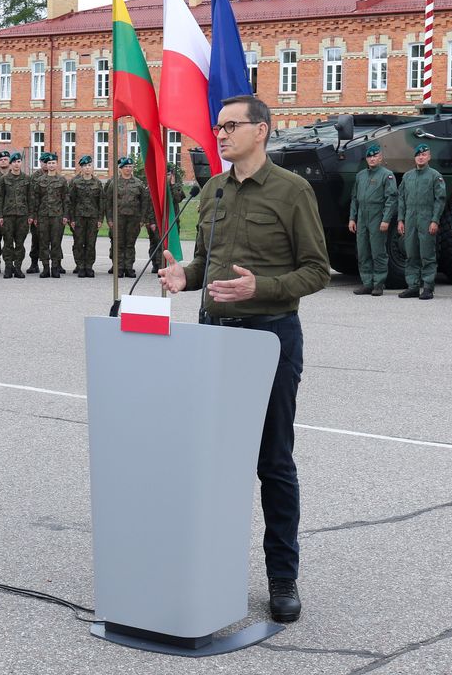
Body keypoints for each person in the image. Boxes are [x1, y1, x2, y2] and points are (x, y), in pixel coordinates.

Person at [158, 95, 330, 624]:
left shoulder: (292, 191)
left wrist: (265, 287)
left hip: (269, 338)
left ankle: (282, 576)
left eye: (231, 126)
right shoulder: (213, 190)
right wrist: (186, 276)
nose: (221, 134)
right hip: (213, 337)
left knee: (272, 462)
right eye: (218, 126)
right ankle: (207, 568)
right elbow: (208, 261)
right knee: (210, 461)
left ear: (261, 131)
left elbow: (317, 271)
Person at [396, 143, 446, 300]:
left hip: (426, 217)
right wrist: (400, 219)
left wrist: (435, 220)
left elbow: (440, 200)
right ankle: (412, 286)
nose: (421, 157)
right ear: (415, 157)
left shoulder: (434, 176)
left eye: (424, 154)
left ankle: (428, 287)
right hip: (410, 218)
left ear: (429, 157)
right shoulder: (407, 176)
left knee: (427, 254)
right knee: (410, 254)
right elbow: (401, 199)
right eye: (418, 155)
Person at [347, 144, 397, 295]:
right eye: (370, 156)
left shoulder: (387, 175)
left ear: (380, 157)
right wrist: (352, 218)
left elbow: (391, 199)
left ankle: (379, 284)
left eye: (375, 156)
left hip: (377, 215)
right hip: (362, 216)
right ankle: (367, 283)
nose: (372, 159)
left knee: (378, 252)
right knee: (363, 251)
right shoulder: (360, 175)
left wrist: (386, 219)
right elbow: (354, 198)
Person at [103, 157, 145, 277]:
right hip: (118, 218)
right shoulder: (114, 183)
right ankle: (119, 268)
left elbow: (144, 202)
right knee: (119, 243)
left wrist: (142, 219)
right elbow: (108, 202)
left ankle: (129, 267)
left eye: (130, 167)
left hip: (134, 218)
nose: (128, 169)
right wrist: (110, 219)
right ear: (121, 169)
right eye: (126, 167)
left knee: (130, 244)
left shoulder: (138, 183)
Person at [0, 152, 31, 278]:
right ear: (11, 164)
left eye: (19, 161)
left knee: (20, 243)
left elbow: (30, 199)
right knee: (8, 242)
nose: (16, 164)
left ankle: (18, 267)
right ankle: (8, 267)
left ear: (21, 163)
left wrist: (30, 216)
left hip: (22, 216)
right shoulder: (4, 180)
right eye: (14, 162)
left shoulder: (27, 179)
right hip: (8, 216)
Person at [32, 152, 69, 277]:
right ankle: (45, 268)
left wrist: (65, 216)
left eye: (53, 163)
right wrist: (35, 217)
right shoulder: (40, 180)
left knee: (56, 242)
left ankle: (55, 268)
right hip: (43, 216)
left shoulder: (62, 180)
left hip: (57, 216)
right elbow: (36, 199)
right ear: (46, 165)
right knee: (43, 242)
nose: (51, 165)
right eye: (49, 163)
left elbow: (66, 200)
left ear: (57, 164)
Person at [67, 154, 104, 277]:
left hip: (93, 217)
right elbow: (70, 201)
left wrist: (100, 219)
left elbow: (101, 202)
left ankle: (89, 266)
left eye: (89, 165)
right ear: (81, 168)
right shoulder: (75, 182)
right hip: (79, 217)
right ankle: (80, 266)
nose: (87, 168)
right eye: (85, 166)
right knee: (78, 242)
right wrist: (71, 219)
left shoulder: (97, 183)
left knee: (90, 243)